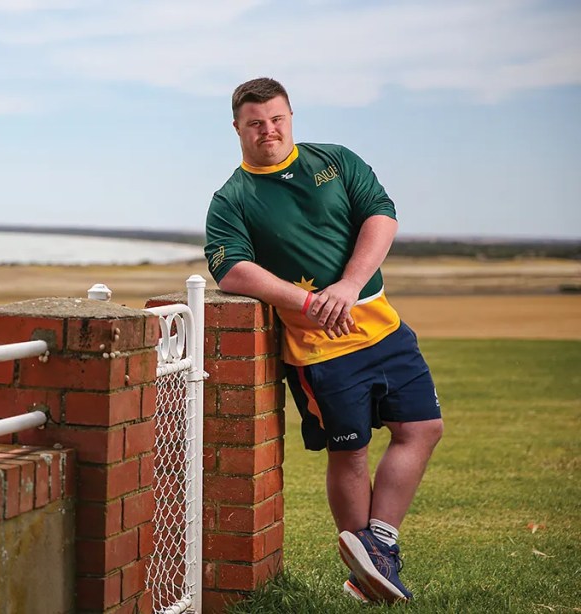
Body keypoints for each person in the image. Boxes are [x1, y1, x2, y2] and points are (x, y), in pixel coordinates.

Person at [204, 77, 444, 604]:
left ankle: (377, 548)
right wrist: (310, 302)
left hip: (382, 325)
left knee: (423, 428)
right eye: (255, 123)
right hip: (321, 351)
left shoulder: (336, 161)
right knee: (351, 452)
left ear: (290, 116)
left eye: (277, 119)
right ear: (237, 128)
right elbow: (232, 271)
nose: (268, 130)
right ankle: (373, 570)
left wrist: (349, 285)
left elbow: (382, 215)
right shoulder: (232, 199)